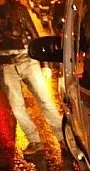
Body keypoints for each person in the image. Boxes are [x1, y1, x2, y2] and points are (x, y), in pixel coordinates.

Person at [0, 0, 63, 156]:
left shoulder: (17, 8)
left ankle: (62, 137)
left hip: (28, 61)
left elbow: (33, 34)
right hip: (7, 65)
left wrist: (45, 63)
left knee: (45, 101)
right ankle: (34, 140)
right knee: (17, 107)